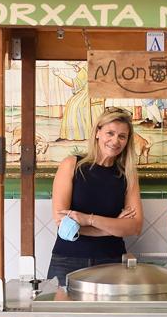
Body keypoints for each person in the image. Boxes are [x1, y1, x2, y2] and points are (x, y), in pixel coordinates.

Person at [48, 107, 143, 284]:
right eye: (110, 133)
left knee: (108, 313)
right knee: (60, 313)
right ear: (98, 132)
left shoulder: (127, 174)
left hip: (112, 261)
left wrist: (87, 219)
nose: (115, 141)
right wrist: (112, 227)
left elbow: (135, 227)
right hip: (67, 260)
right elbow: (64, 225)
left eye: (122, 136)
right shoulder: (72, 165)